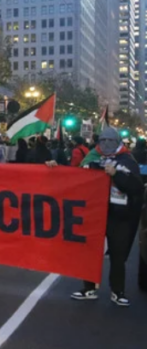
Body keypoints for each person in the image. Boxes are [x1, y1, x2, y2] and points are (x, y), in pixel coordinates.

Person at [48, 127, 144, 306]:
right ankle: (89, 288)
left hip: (120, 216)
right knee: (90, 252)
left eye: (110, 141)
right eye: (103, 141)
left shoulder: (127, 160)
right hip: (94, 214)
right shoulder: (92, 158)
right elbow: (74, 176)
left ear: (118, 143)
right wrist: (55, 168)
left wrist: (117, 175)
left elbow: (136, 187)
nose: (106, 144)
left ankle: (117, 291)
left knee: (118, 255)